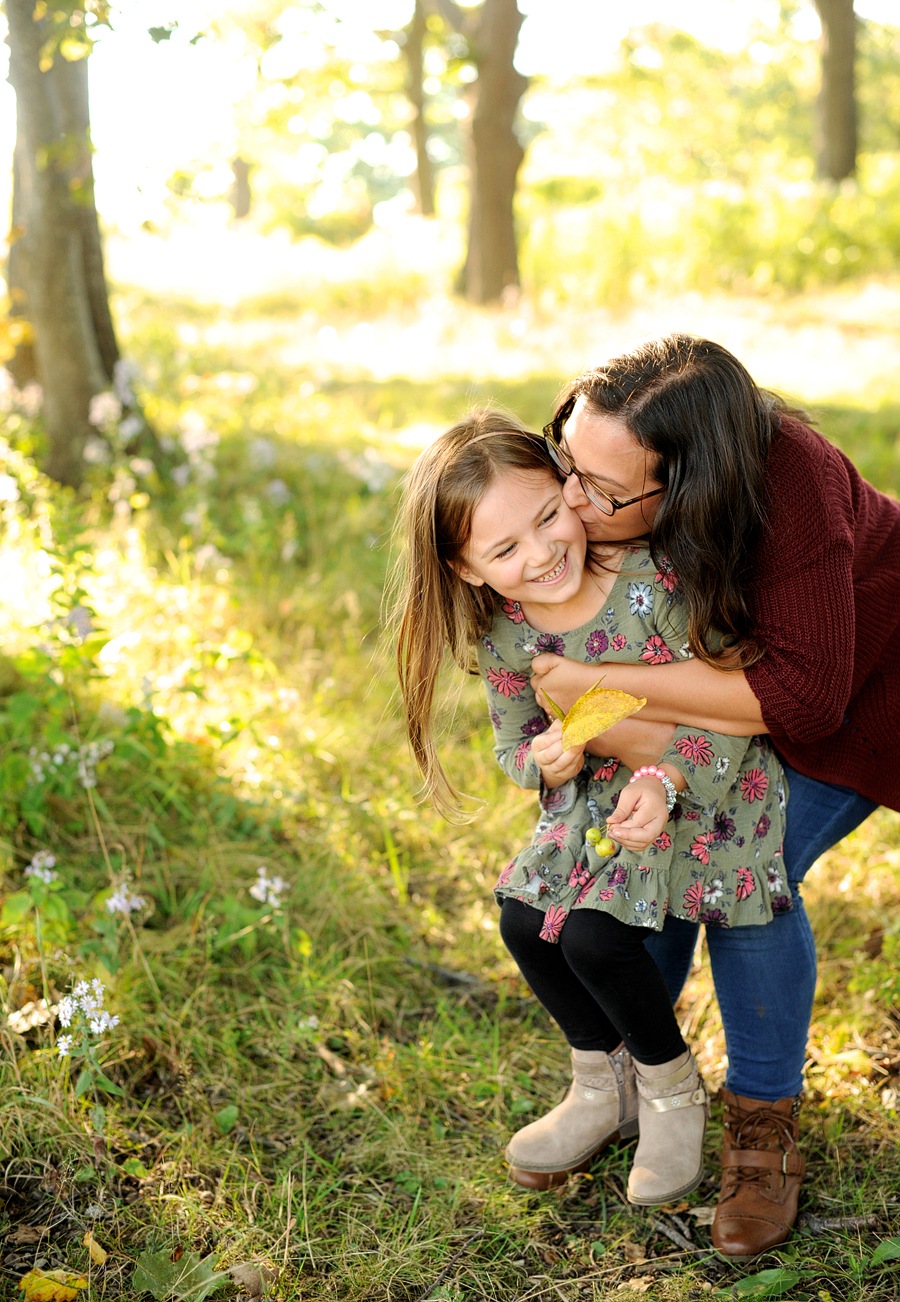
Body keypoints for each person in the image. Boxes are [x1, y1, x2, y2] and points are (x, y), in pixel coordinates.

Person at [528, 332, 900, 1258]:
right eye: (565, 461)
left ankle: (761, 1129)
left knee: (748, 868)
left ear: (687, 486)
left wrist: (598, 685)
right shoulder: (599, 484)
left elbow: (808, 697)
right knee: (644, 850)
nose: (572, 502)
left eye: (602, 493)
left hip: (868, 690)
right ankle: (639, 1082)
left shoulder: (792, 484)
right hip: (737, 697)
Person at [393, 410, 788, 1209]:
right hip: (597, 801)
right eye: (504, 550)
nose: (541, 554)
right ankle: (604, 1087)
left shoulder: (655, 586)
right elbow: (516, 741)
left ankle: (672, 1091)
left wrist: (666, 780)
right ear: (466, 569)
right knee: (519, 921)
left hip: (707, 785)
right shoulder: (507, 634)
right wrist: (543, 760)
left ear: (567, 489)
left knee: (594, 936)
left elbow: (731, 711)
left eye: (547, 518)